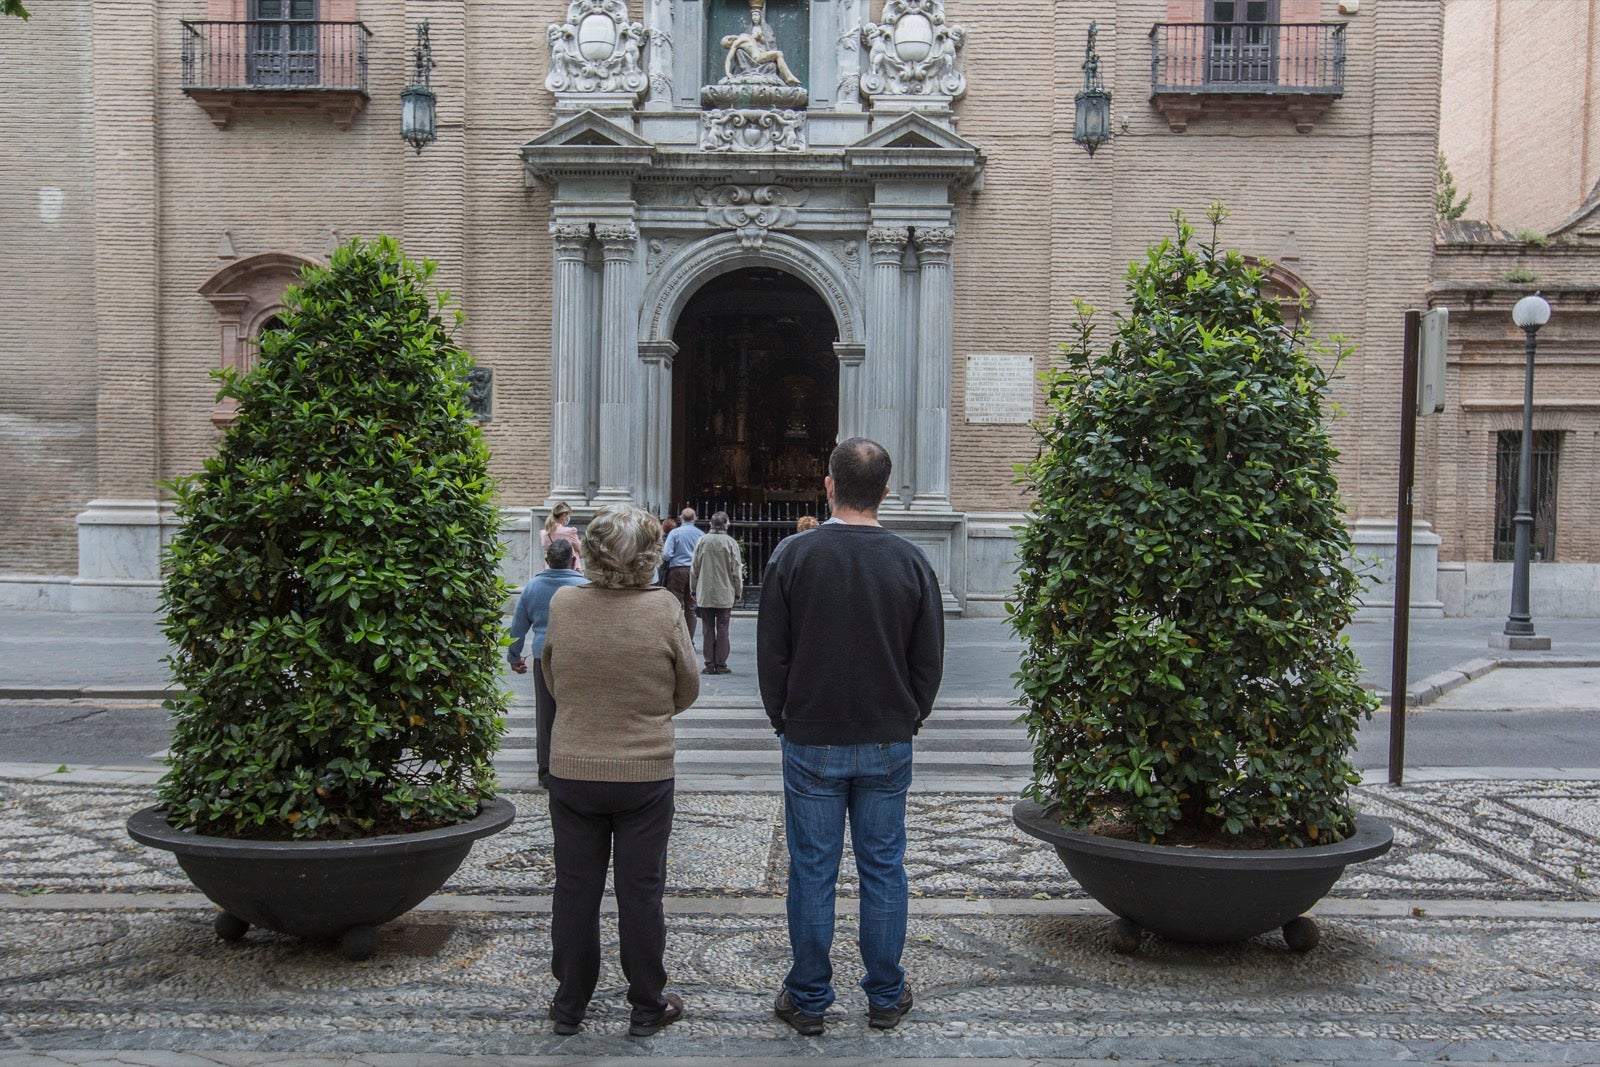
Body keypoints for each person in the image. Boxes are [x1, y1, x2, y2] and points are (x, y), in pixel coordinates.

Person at [756, 438, 945, 1036]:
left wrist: (785, 719)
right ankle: (886, 995)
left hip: (811, 737)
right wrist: (908, 716)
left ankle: (809, 1000)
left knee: (811, 870)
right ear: (886, 492)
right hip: (888, 737)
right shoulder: (912, 561)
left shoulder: (791, 557)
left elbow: (772, 659)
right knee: (884, 867)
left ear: (829, 485)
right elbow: (929, 661)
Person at [540, 504, 700, 1037]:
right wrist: (645, 713)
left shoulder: (565, 603)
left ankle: (569, 1006)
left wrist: (589, 711)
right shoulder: (664, 608)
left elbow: (552, 676)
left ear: (593, 551)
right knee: (641, 891)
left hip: (574, 767)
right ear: (651, 554)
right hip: (644, 772)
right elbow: (688, 685)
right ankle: (646, 1005)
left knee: (575, 888)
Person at [507, 537, 588, 787]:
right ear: (574, 560)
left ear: (547, 561)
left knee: (545, 714)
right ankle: (576, 767)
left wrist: (514, 657)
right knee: (577, 712)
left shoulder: (532, 587)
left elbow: (518, 627)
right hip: (576, 657)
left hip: (544, 655)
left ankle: (546, 771)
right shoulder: (584, 586)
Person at [688, 511, 743, 675]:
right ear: (727, 524)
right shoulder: (731, 543)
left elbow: (694, 568)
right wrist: (738, 591)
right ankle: (721, 663)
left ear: (711, 524)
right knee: (723, 627)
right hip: (725, 591)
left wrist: (693, 588)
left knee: (707, 627)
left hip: (705, 591)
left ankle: (709, 663)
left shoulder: (702, 541)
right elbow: (736, 571)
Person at [660, 507, 704, 640]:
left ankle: (675, 637)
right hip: (694, 571)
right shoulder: (700, 534)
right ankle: (689, 640)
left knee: (675, 604)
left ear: (681, 518)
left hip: (677, 570)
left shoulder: (675, 533)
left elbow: (667, 554)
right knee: (691, 607)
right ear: (695, 519)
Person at [541, 502, 583, 575]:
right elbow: (580, 550)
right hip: (569, 570)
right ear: (564, 515)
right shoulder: (570, 532)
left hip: (550, 570)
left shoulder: (544, 533)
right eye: (568, 515)